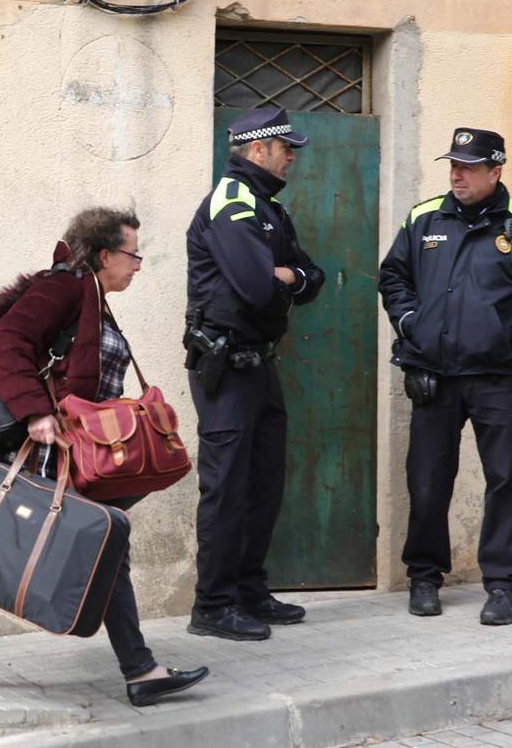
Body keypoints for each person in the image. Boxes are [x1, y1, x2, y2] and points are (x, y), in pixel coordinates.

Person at [0, 207, 209, 707]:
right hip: (45, 448)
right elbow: (7, 341)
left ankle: (141, 670)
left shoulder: (92, 296)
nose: (138, 264)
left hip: (71, 451)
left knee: (92, 542)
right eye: (133, 253)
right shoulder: (64, 286)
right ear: (105, 253)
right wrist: (35, 415)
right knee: (7, 537)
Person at [378, 127, 512, 625]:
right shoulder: (425, 219)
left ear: (495, 171)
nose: (456, 174)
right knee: (426, 480)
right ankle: (424, 576)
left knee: (506, 479)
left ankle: (505, 586)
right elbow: (393, 277)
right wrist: (410, 324)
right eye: (453, 165)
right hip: (434, 376)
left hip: (496, 379)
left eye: (467, 167)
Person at [183, 107, 325, 641]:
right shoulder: (231, 202)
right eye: (287, 148)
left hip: (260, 364)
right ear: (259, 150)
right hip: (226, 366)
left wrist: (285, 275)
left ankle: (248, 589)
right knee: (225, 487)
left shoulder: (267, 209)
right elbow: (256, 287)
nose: (292, 157)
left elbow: (315, 277)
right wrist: (285, 277)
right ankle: (212, 606)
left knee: (263, 482)